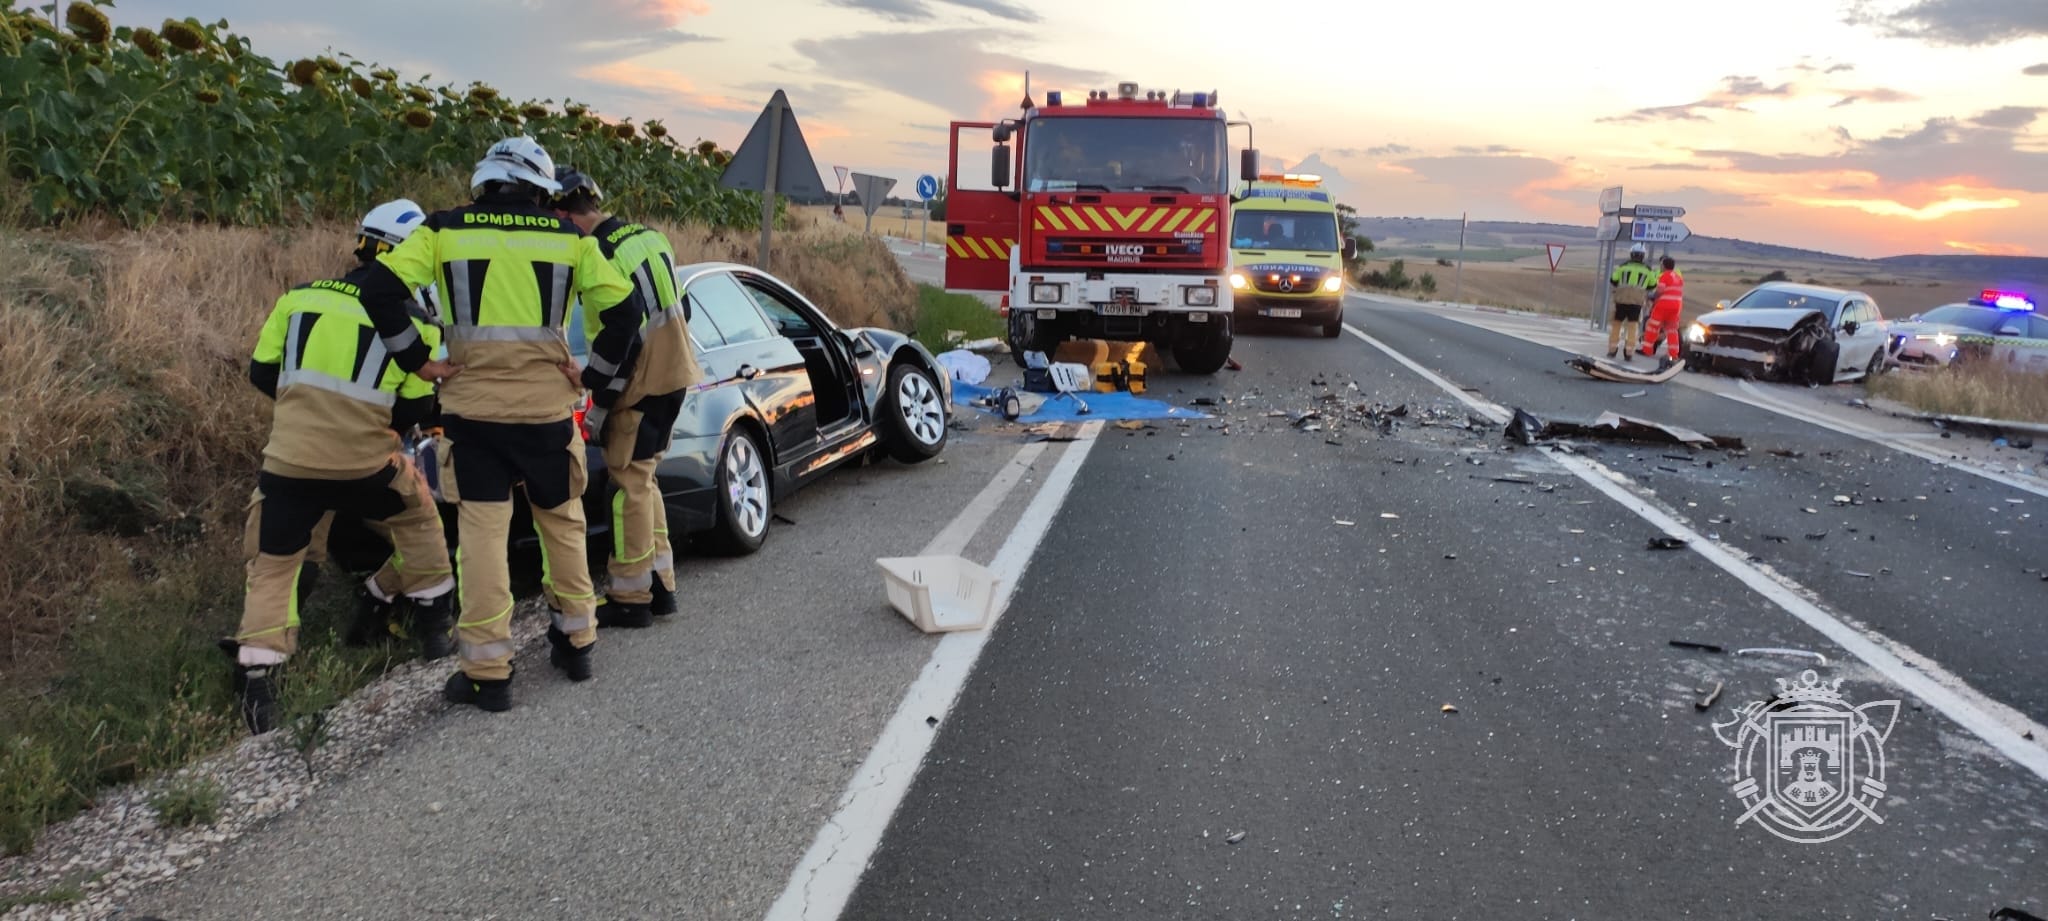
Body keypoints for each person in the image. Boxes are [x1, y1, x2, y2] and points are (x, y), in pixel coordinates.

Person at [353, 136, 650, 712]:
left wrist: (419, 361)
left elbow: (380, 290)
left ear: (483, 181)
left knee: (483, 534)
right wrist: (590, 377)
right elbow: (625, 313)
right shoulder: (571, 240)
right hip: (546, 411)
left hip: (473, 413)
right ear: (543, 187)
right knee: (562, 522)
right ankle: (577, 639)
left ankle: (488, 672)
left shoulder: (442, 230)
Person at [224, 199, 456, 734]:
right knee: (420, 520)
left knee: (275, 561)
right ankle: (434, 633)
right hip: (366, 466)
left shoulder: (298, 299)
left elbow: (262, 373)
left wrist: (307, 419)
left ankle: (258, 683)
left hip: (288, 464)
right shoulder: (416, 327)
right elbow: (416, 411)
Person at [548, 166, 703, 628]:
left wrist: (594, 385)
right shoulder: (649, 236)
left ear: (564, 214)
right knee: (645, 479)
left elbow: (624, 336)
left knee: (628, 487)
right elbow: (683, 306)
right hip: (676, 375)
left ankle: (631, 596)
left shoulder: (595, 251)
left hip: (642, 381)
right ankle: (661, 582)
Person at [1607, 243, 1656, 362]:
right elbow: (1653, 285)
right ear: (1643, 256)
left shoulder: (1623, 267)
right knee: (1633, 326)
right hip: (1636, 302)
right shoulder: (1648, 270)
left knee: (1617, 324)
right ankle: (1629, 352)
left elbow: (1613, 280)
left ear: (1631, 254)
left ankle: (1612, 350)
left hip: (1621, 300)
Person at [1640, 255, 1685, 365]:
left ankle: (1647, 350)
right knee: (1672, 330)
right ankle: (1673, 354)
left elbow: (1660, 291)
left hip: (1663, 305)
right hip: (1676, 307)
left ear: (1664, 266)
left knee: (1652, 327)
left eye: (1661, 265)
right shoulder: (1678, 278)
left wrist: (1651, 296)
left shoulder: (1664, 276)